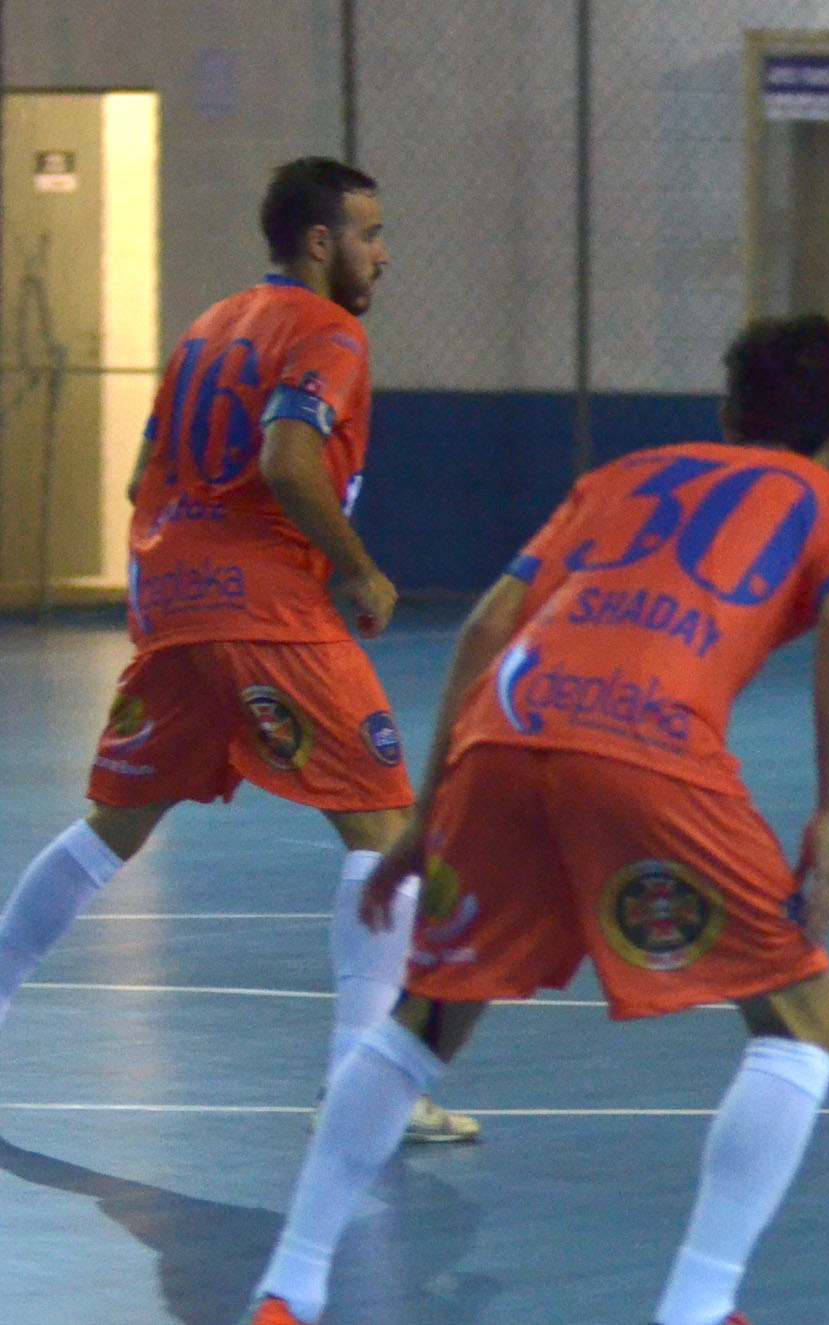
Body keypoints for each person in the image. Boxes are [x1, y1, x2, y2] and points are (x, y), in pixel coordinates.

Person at [245, 313, 829, 1325]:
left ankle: (289, 1284)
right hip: (650, 750)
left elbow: (488, 621)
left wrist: (429, 811)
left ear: (726, 411)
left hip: (506, 731)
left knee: (427, 1015)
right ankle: (697, 1301)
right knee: (806, 1019)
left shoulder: (625, 475)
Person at [0, 157, 475, 1143]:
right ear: (319, 241)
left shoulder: (208, 327)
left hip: (177, 603)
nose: (380, 257)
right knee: (387, 831)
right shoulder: (328, 332)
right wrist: (356, 568)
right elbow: (287, 456)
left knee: (109, 827)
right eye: (370, 234)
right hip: (268, 611)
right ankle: (360, 1084)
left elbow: (143, 471)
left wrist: (166, 575)